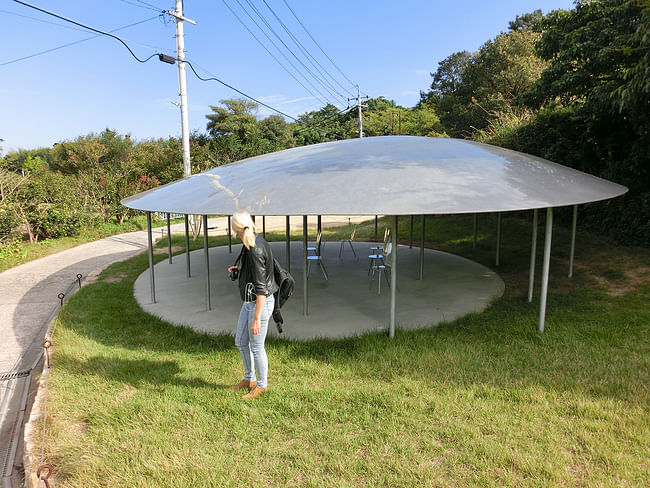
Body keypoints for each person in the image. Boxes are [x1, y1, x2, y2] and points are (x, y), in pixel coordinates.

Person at [227, 211, 278, 399]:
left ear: (236, 228)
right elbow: (257, 273)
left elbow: (262, 288)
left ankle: (262, 385)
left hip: (259, 304)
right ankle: (250, 379)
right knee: (241, 342)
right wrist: (240, 270)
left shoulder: (255, 248)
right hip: (249, 302)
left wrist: (257, 318)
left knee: (257, 346)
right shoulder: (250, 243)